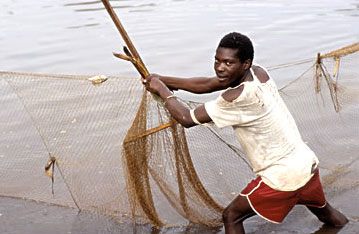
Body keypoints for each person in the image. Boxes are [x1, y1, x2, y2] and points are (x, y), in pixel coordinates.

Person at [143, 32, 348, 233]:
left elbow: (187, 119)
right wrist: (162, 80)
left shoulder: (238, 98)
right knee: (328, 216)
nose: (220, 68)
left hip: (283, 176)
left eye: (228, 63)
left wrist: (162, 90)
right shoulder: (260, 73)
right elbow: (208, 84)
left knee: (231, 216)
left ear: (245, 63)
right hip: (306, 163)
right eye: (217, 61)